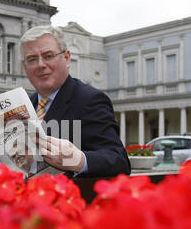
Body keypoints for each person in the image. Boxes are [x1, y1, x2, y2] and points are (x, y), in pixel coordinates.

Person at [20, 25, 131, 178]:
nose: (40, 65)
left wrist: (78, 160)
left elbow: (119, 161)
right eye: (32, 59)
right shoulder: (24, 105)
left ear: (66, 58)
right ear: (24, 67)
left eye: (48, 56)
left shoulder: (90, 100)